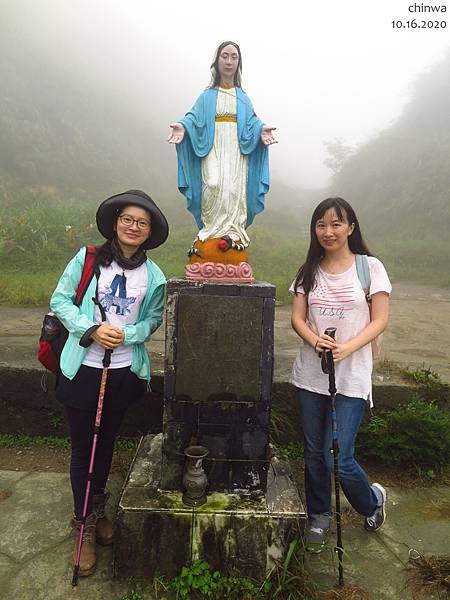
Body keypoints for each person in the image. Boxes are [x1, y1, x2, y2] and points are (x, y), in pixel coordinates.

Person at [50, 190, 168, 576]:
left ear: (149, 232)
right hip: (83, 367)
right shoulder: (86, 260)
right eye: (128, 219)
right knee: (84, 447)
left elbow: (152, 319)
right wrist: (91, 329)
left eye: (142, 223)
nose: (134, 227)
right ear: (116, 223)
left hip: (121, 372)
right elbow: (61, 300)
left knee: (106, 445)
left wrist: (128, 335)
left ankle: (98, 507)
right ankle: (82, 524)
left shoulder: (154, 276)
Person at [290, 197, 391, 552]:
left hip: (351, 377)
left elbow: (380, 318)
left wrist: (348, 348)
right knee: (314, 452)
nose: (328, 231)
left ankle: (371, 501)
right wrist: (314, 340)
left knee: (340, 456)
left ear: (351, 227)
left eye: (336, 224)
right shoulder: (308, 271)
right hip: (312, 376)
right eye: (321, 224)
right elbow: (297, 318)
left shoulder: (369, 268)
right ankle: (319, 516)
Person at [168, 40, 277, 261]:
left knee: (234, 190)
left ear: (239, 63)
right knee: (214, 184)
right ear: (216, 61)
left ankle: (232, 234)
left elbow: (253, 121)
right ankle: (210, 231)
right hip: (213, 146)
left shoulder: (242, 96)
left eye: (234, 57)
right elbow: (193, 117)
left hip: (237, 152)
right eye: (224, 56)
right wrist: (183, 126)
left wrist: (262, 129)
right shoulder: (207, 95)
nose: (229, 61)